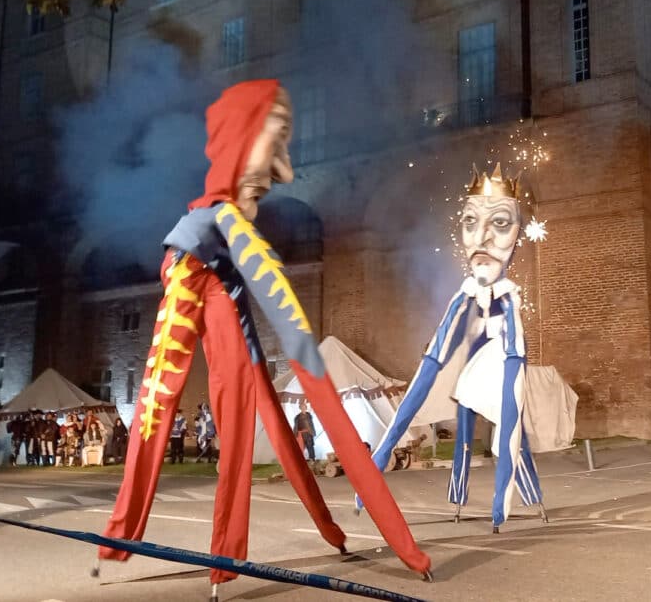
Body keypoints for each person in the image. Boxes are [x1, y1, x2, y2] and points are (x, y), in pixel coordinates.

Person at [97, 80, 431, 590]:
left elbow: (283, 336)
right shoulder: (224, 222)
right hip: (196, 270)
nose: (284, 173)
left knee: (249, 399)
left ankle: (235, 554)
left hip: (218, 278)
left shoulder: (227, 227)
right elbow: (291, 337)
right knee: (163, 402)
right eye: (274, 142)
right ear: (239, 139)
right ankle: (137, 537)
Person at [360, 163, 566, 534]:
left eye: (499, 223)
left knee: (510, 425)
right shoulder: (463, 299)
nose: (482, 237)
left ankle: (516, 494)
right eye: (471, 221)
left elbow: (512, 395)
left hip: (499, 361)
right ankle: (462, 494)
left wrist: (501, 494)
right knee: (466, 414)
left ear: (516, 233)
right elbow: (426, 373)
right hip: (471, 365)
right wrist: (380, 455)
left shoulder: (508, 303)